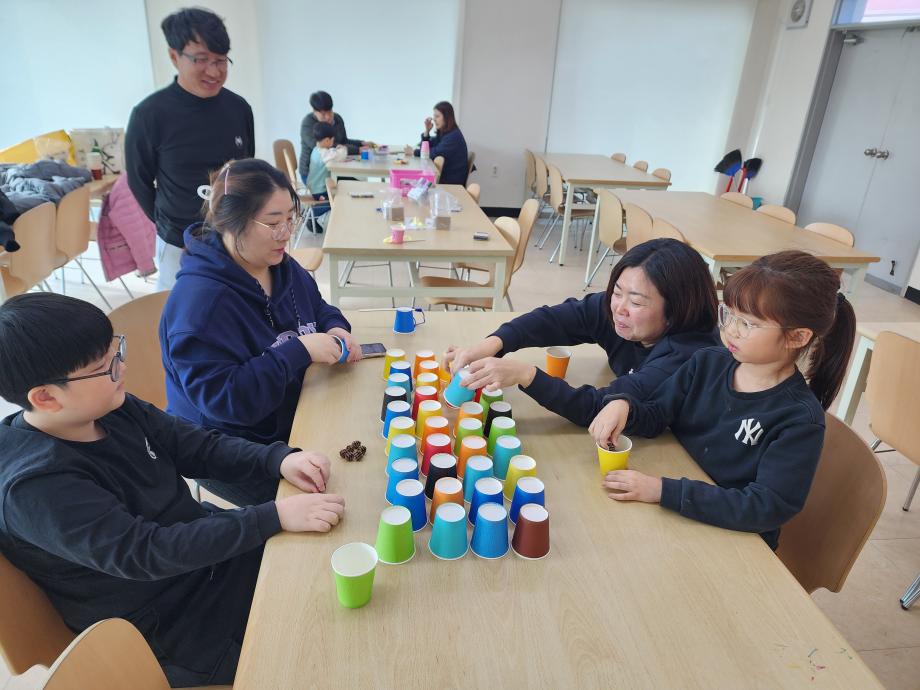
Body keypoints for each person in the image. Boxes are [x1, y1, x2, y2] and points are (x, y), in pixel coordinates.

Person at [0, 293, 345, 687]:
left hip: (205, 563)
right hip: (169, 625)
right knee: (317, 645)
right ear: (46, 397)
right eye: (103, 367)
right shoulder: (35, 486)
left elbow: (196, 446)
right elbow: (148, 552)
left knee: (326, 563)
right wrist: (272, 516)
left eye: (116, 351)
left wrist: (276, 460)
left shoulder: (108, 407)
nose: (122, 367)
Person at [588, 251, 856, 550]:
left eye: (748, 324)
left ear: (798, 337)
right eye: (729, 314)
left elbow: (765, 507)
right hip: (682, 513)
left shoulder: (798, 418)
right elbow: (657, 414)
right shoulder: (707, 363)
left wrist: (662, 490)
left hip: (735, 541)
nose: (730, 330)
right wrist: (624, 405)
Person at [160, 158, 361, 507]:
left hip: (288, 411)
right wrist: (300, 350)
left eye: (290, 220)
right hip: (227, 445)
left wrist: (335, 326)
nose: (286, 233)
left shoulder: (279, 264)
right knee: (342, 500)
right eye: (272, 223)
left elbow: (317, 306)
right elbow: (228, 401)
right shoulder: (200, 305)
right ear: (231, 222)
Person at [447, 239, 720, 427]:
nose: (619, 308)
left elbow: (598, 407)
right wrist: (495, 342)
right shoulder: (619, 312)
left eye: (636, 302)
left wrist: (526, 375)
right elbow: (555, 320)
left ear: (676, 309)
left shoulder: (687, 356)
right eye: (617, 292)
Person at [126, 7, 254, 291]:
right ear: (174, 56)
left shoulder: (239, 108)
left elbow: (246, 170)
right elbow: (139, 181)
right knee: (181, 309)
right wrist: (168, 221)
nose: (214, 71)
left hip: (233, 235)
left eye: (221, 60)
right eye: (201, 59)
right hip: (178, 242)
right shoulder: (149, 115)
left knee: (235, 305)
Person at [298, 90, 372, 184]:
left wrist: (361, 143)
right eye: (323, 114)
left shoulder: (337, 119)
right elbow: (324, 147)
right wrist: (357, 150)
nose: (328, 116)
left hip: (334, 169)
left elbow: (344, 141)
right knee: (354, 185)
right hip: (312, 175)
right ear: (314, 111)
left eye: (330, 111)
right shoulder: (308, 124)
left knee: (360, 183)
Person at [406, 101, 469, 185]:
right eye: (434, 116)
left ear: (447, 117)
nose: (434, 119)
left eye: (437, 116)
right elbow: (427, 147)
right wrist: (427, 131)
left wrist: (413, 152)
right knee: (412, 182)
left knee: (412, 182)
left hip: (450, 182)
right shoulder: (445, 133)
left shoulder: (453, 137)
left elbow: (433, 153)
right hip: (443, 176)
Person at [303, 121, 346, 221]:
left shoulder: (316, 150)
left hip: (314, 187)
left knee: (335, 197)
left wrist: (335, 150)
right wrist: (342, 148)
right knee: (335, 201)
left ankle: (311, 213)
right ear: (327, 140)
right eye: (332, 140)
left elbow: (331, 153)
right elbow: (340, 156)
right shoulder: (324, 154)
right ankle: (310, 215)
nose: (333, 143)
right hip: (319, 190)